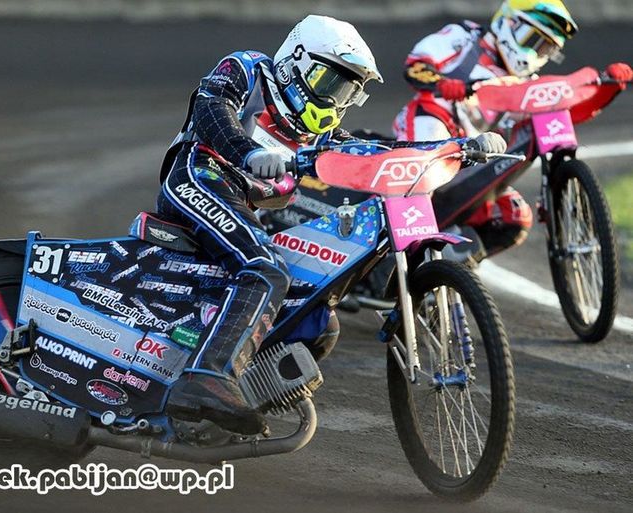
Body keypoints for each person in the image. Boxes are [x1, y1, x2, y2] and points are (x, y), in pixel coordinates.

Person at [157, 14, 508, 435]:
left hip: (241, 206)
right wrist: (247, 152)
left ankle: (219, 419)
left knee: (319, 323)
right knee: (267, 269)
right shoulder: (248, 68)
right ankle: (207, 378)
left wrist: (459, 148)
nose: (334, 100)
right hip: (198, 178)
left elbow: (383, 149)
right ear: (296, 62)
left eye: (346, 91)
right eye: (330, 82)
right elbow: (212, 109)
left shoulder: (321, 138)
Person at [392, 0, 632, 259]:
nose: (535, 54)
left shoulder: (526, 85)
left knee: (513, 215)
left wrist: (605, 89)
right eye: (533, 40)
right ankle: (391, 257)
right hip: (433, 122)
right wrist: (444, 84)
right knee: (425, 177)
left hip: (473, 155)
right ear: (509, 22)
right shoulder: (466, 36)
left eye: (546, 49)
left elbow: (564, 114)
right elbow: (416, 65)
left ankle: (444, 275)